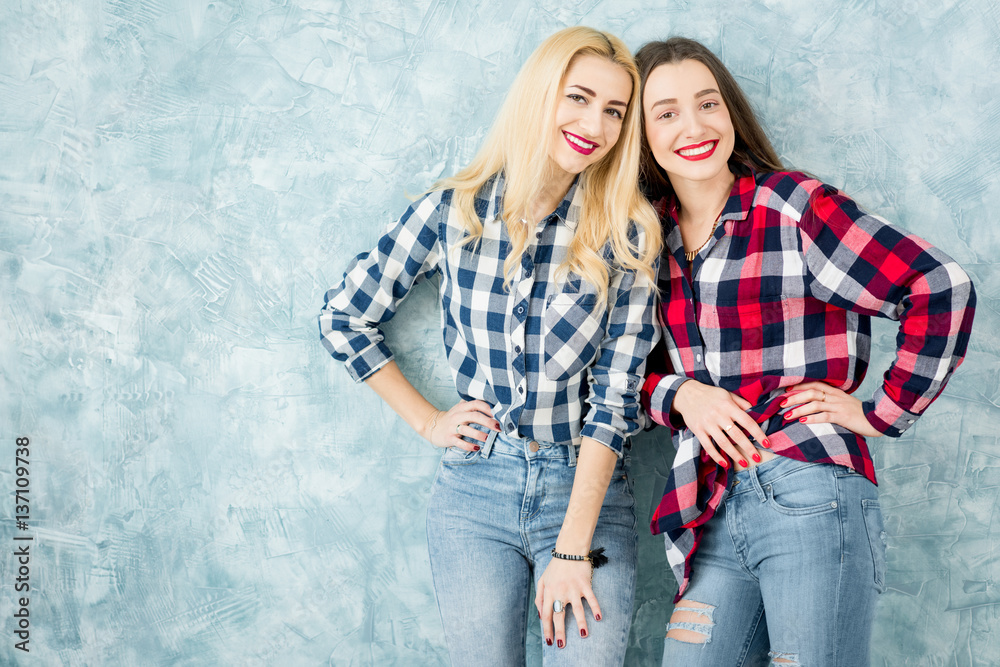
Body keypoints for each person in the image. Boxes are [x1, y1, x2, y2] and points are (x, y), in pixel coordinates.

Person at [319, 27, 662, 665]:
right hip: (474, 491)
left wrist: (572, 549)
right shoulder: (454, 212)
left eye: (615, 111)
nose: (597, 124)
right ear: (540, 94)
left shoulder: (628, 233)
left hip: (583, 488)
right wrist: (427, 421)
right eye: (579, 98)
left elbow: (617, 401)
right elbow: (344, 318)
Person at [635, 37, 975, 666]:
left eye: (708, 103)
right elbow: (622, 374)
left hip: (807, 489)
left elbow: (939, 286)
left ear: (730, 111)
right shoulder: (643, 239)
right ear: (642, 134)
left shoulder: (792, 208)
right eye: (667, 112)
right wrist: (682, 395)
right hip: (708, 504)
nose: (695, 126)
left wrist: (878, 412)